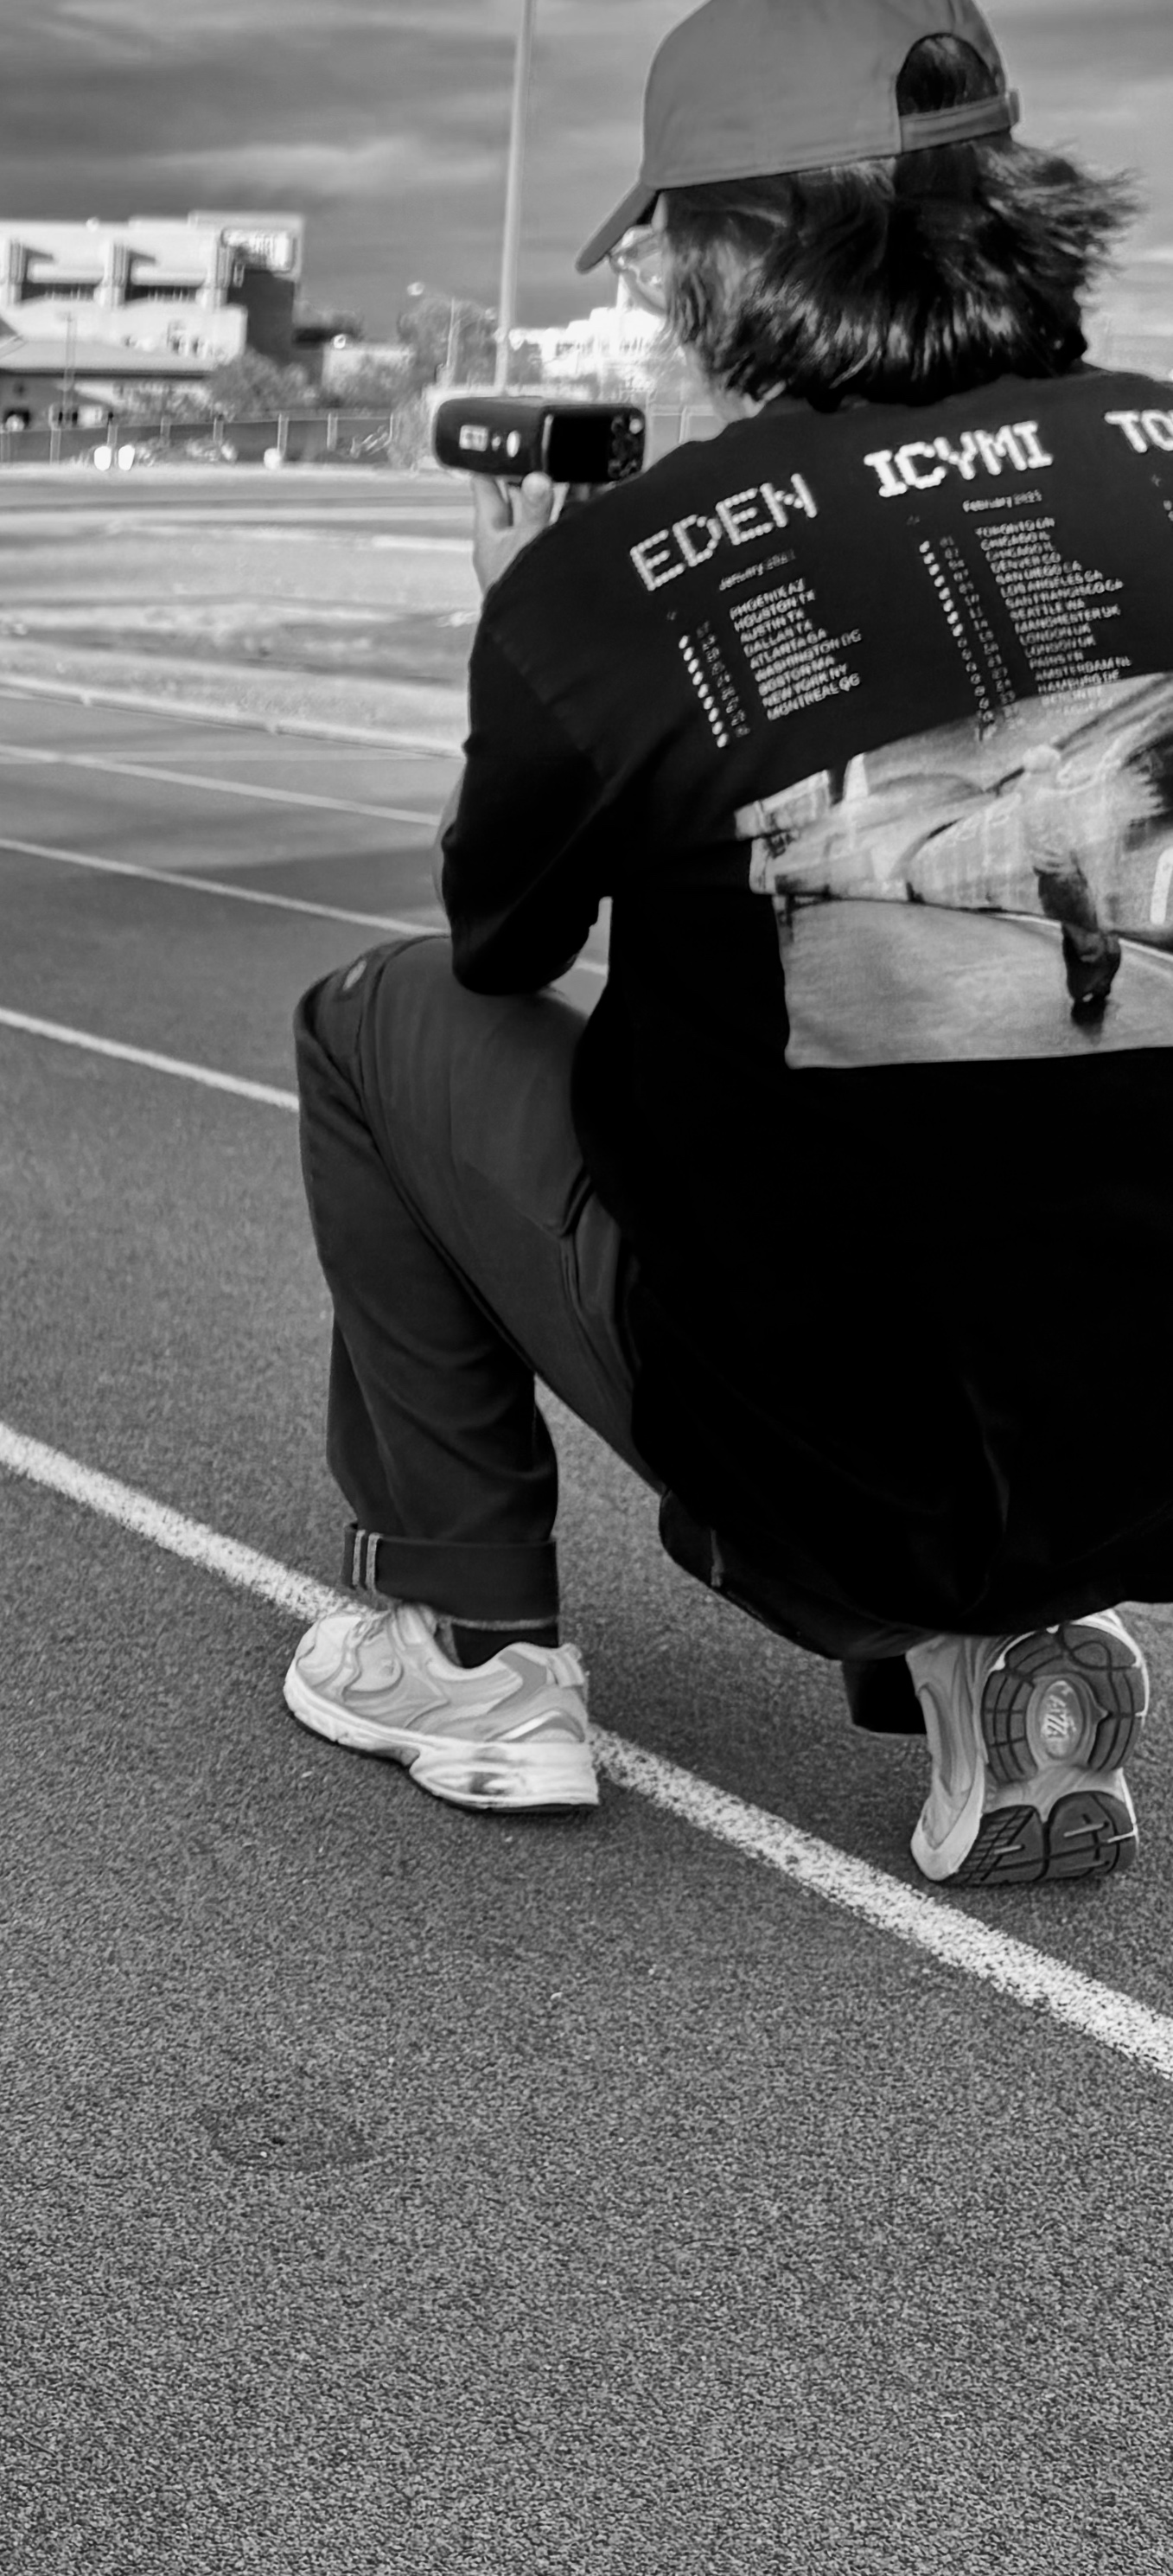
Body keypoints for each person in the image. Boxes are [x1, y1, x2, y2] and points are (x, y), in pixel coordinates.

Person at [283, 0, 1172, 1888]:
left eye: (666, 240)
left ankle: (468, 1641)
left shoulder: (617, 583)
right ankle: (1007, 1619)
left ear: (744, 243)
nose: (655, 285)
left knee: (373, 1019)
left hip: (827, 1465)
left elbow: (497, 945)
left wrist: (528, 617)